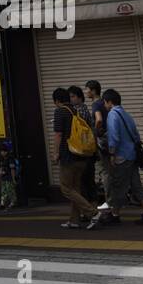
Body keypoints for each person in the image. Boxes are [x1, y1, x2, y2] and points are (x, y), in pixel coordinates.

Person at [88, 90, 143, 229]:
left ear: (109, 102)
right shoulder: (126, 114)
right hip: (132, 155)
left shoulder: (113, 115)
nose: (105, 105)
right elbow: (136, 136)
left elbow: (114, 137)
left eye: (105, 103)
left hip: (122, 156)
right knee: (136, 185)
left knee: (118, 186)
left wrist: (112, 155)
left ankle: (115, 214)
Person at [51, 87, 93, 229]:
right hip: (81, 155)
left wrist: (55, 153)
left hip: (68, 156)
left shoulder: (60, 111)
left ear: (57, 101)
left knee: (66, 188)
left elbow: (58, 134)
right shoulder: (77, 110)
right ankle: (74, 220)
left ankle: (93, 212)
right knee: (75, 189)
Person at [85, 79, 111, 209]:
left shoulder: (95, 104)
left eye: (87, 89)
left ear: (93, 90)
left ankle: (109, 201)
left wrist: (94, 133)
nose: (86, 92)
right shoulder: (104, 102)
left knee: (104, 171)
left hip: (102, 140)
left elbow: (99, 119)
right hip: (110, 138)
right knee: (110, 170)